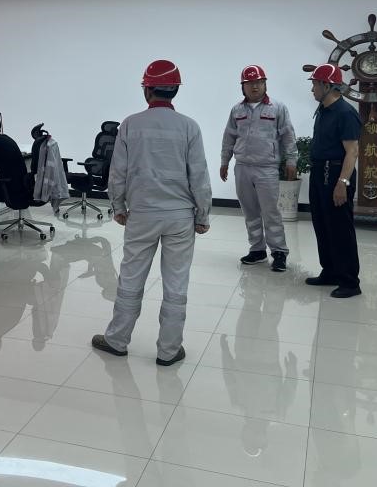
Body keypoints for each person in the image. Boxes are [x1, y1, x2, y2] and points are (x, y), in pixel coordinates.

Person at [91, 60, 212, 366]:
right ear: (175, 91)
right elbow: (199, 176)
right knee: (176, 283)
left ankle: (117, 340)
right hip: (180, 217)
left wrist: (118, 206)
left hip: (142, 214)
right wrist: (202, 215)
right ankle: (169, 350)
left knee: (131, 278)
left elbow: (117, 172)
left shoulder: (130, 125)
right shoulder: (190, 127)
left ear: (147, 90)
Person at [220, 65, 298, 272]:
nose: (254, 87)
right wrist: (224, 161)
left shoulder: (277, 108)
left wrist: (291, 161)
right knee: (250, 211)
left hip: (267, 168)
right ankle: (257, 250)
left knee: (271, 212)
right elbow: (229, 137)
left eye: (258, 83)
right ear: (243, 86)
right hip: (242, 167)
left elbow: (288, 136)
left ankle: (279, 252)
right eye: (250, 83)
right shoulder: (237, 110)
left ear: (265, 84)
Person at [305, 64, 362, 298]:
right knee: (322, 224)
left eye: (314, 84)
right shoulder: (323, 109)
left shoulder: (345, 113)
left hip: (337, 173)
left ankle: (349, 282)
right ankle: (329, 271)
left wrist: (343, 183)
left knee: (340, 229)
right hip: (320, 172)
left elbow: (352, 151)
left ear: (327, 85)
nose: (312, 89)